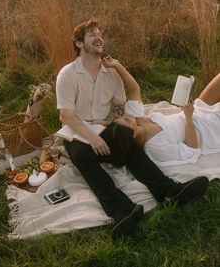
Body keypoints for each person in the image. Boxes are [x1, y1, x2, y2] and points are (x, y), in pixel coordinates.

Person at [56, 18, 209, 240]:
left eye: (100, 33)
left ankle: (169, 192)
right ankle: (122, 210)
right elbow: (66, 115)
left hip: (104, 125)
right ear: (79, 43)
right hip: (77, 130)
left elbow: (119, 104)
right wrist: (92, 138)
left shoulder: (111, 73)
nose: (99, 37)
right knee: (81, 155)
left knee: (130, 144)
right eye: (92, 35)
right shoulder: (68, 74)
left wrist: (127, 123)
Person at [101, 56, 220, 168]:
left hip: (198, 110)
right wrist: (188, 117)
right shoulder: (155, 148)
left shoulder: (136, 119)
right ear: (133, 134)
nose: (126, 115)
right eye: (126, 119)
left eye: (121, 117)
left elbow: (134, 89)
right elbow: (192, 152)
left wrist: (117, 65)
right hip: (208, 130)